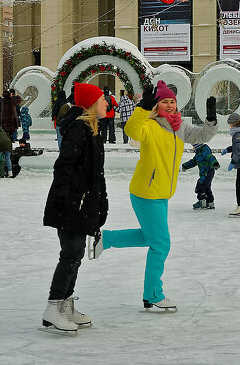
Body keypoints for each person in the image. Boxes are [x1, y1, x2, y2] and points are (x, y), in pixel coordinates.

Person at [89, 80, 217, 313]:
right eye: (164, 101)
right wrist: (143, 108)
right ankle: (153, 294)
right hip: (147, 192)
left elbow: (203, 136)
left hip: (161, 193)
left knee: (152, 238)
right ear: (157, 105)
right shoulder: (149, 125)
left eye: (172, 101)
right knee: (161, 244)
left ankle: (106, 239)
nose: (169, 105)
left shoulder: (179, 127)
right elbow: (131, 131)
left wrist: (210, 119)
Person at [40, 85, 108, 335]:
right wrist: (70, 201)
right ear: (91, 104)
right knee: (70, 254)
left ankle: (65, 305)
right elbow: (63, 167)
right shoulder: (78, 131)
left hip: (81, 203)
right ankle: (53, 307)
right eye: (102, 100)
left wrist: (100, 202)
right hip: (71, 204)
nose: (106, 104)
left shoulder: (91, 131)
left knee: (75, 254)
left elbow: (95, 175)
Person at [182, 142, 219, 210]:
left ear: (197, 146)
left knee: (200, 185)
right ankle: (210, 202)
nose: (193, 148)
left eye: (193, 146)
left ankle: (202, 201)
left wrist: (215, 163)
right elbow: (193, 162)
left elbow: (210, 157)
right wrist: (185, 166)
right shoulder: (198, 154)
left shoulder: (204, 150)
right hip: (205, 172)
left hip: (208, 171)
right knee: (206, 187)